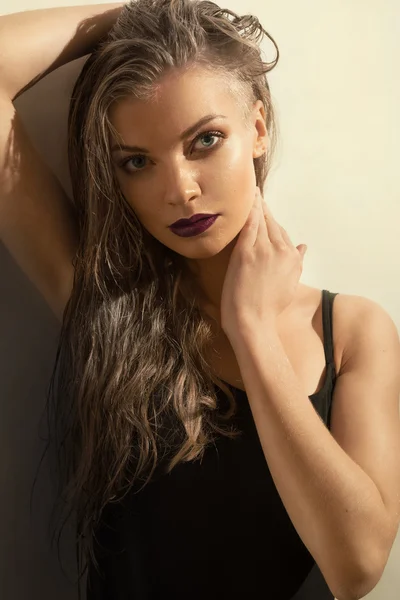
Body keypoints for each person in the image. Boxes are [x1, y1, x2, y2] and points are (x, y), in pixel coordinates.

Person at [0, 1, 399, 599]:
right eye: (138, 162)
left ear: (258, 130)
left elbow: (358, 569)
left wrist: (252, 329)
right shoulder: (107, 302)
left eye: (205, 140)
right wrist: (146, 9)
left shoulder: (353, 330)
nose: (179, 191)